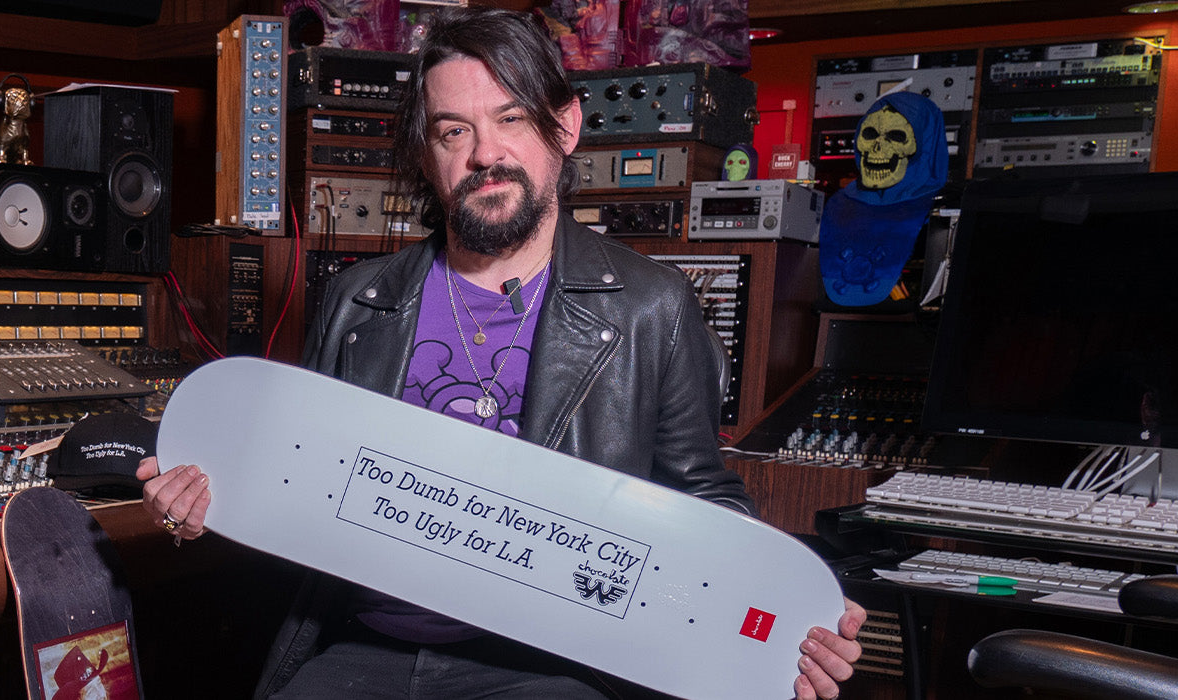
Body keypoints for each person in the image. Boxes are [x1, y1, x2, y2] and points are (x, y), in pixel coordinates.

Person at [140, 9, 864, 700]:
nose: (486, 153)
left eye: (511, 118)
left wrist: (785, 611)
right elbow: (298, 484)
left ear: (566, 125)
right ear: (428, 156)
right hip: (361, 646)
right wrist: (200, 504)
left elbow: (702, 501)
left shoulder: (651, 306)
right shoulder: (359, 301)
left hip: (549, 667)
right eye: (455, 131)